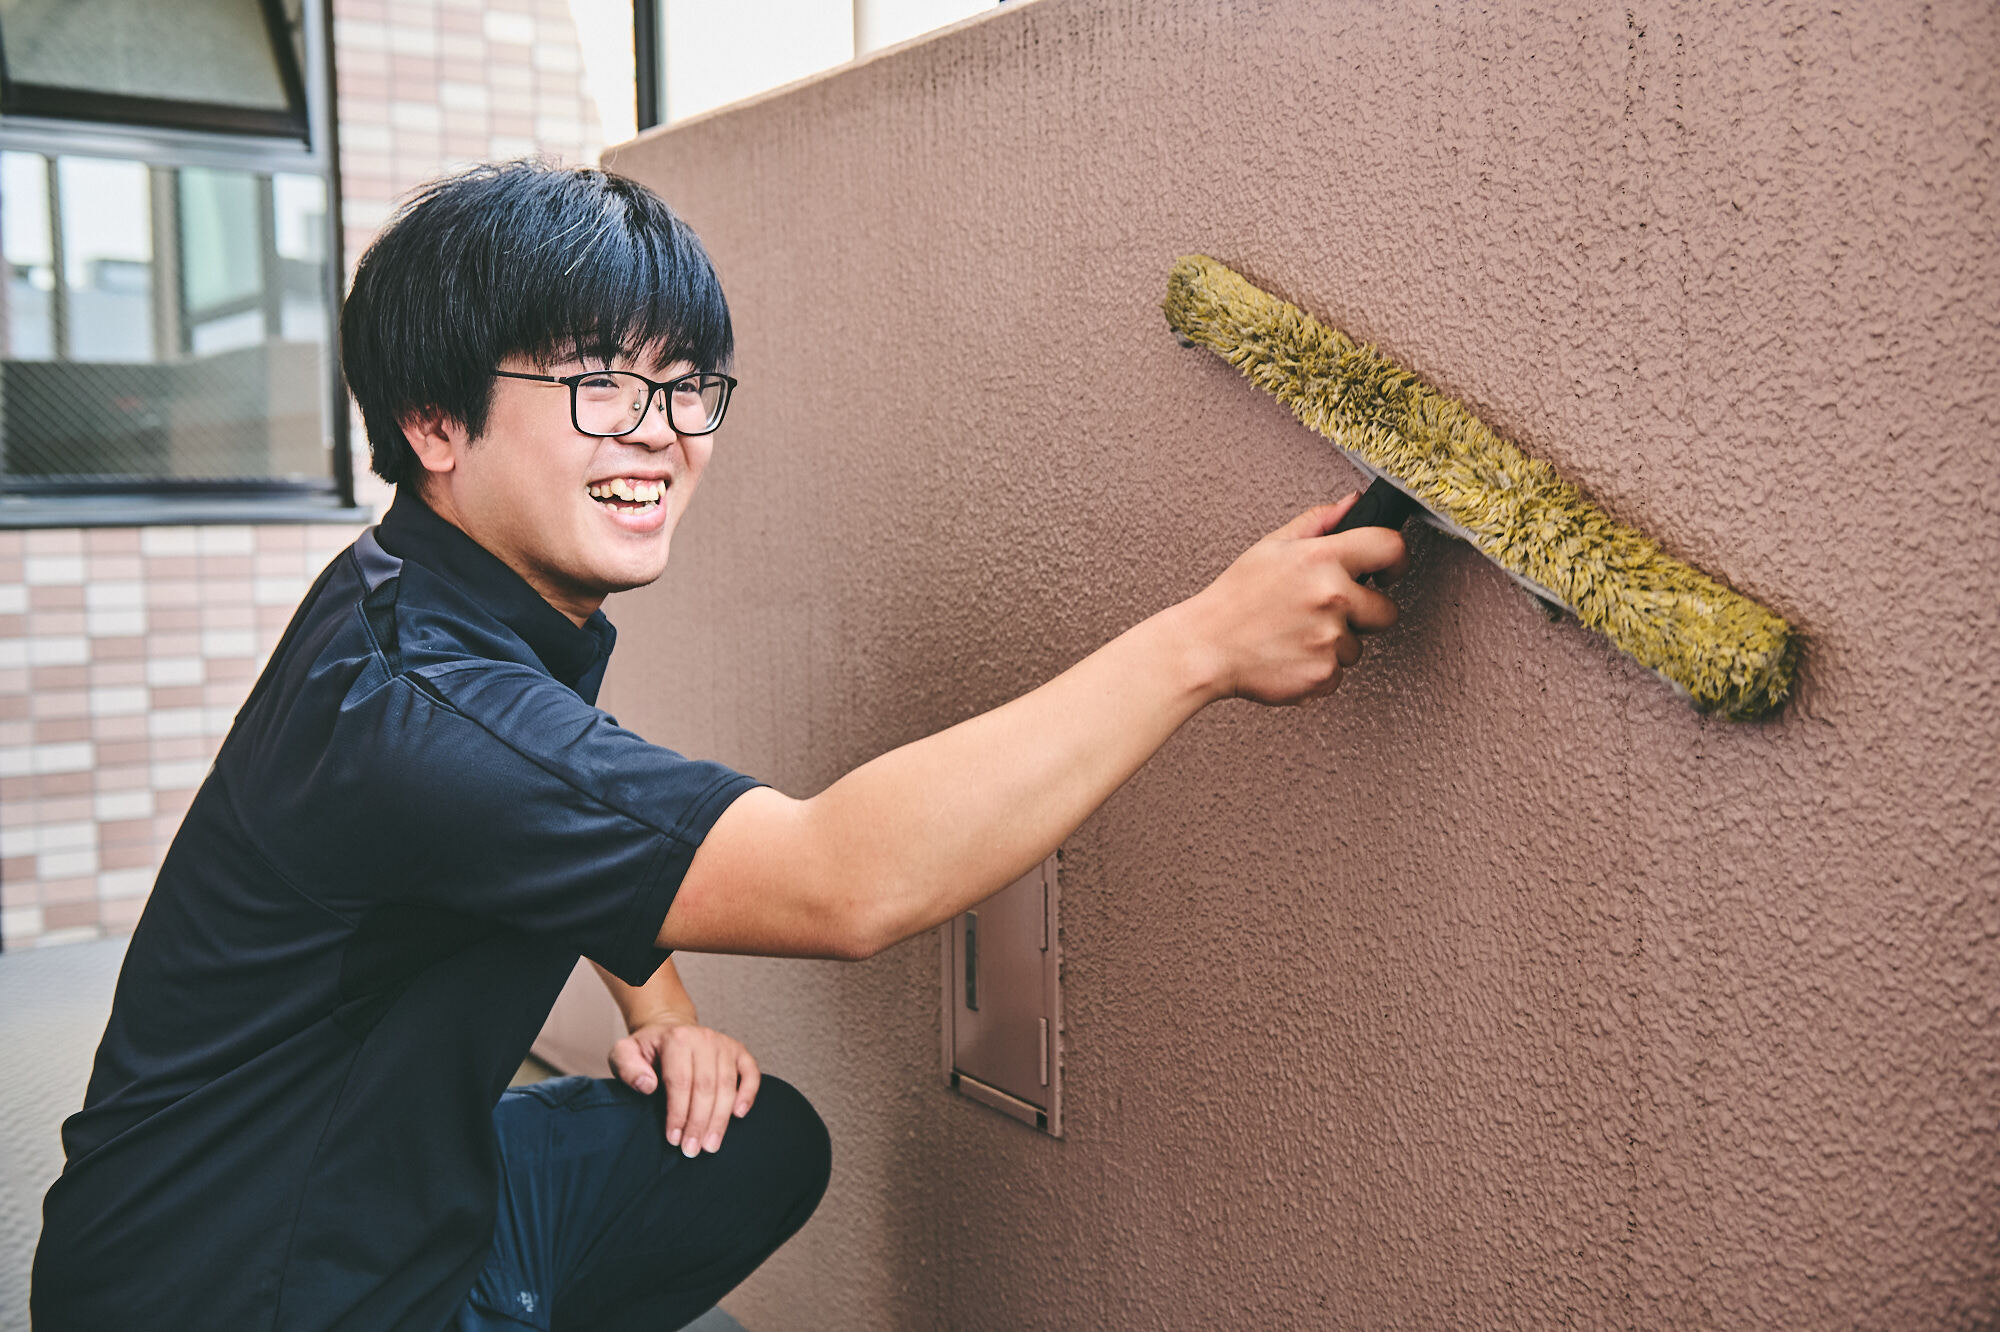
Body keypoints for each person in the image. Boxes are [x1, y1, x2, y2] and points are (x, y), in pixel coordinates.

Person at [31, 160, 1405, 1331]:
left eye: (688, 386)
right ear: (432, 421)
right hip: (227, 1286)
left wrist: (663, 1014)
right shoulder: (420, 706)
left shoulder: (417, 592)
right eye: (597, 385)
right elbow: (841, 882)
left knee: (749, 1143)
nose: (661, 435)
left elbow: (559, 804)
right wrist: (1202, 646)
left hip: (337, 1196)